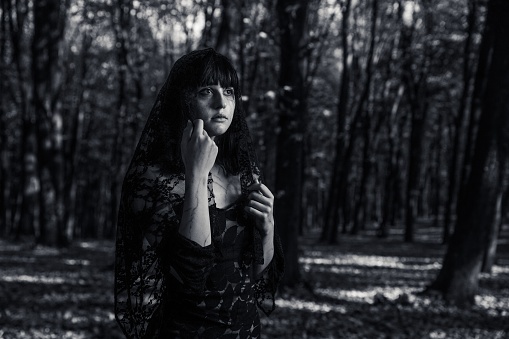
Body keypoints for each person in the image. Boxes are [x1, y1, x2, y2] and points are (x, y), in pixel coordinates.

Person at [114, 48, 284, 338]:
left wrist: (267, 228)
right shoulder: (150, 180)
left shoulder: (243, 172)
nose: (221, 103)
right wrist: (196, 174)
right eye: (207, 91)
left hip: (247, 330)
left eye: (229, 91)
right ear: (184, 100)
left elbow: (255, 274)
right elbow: (191, 277)